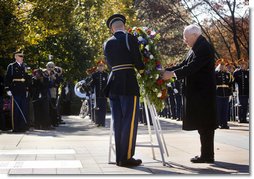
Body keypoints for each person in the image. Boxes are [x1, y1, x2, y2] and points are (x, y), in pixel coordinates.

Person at [162, 24, 218, 163]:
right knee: (202, 125)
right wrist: (165, 71)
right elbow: (183, 64)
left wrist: (173, 74)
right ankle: (206, 154)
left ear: (195, 35)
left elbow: (193, 67)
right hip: (199, 93)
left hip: (203, 93)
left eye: (186, 37)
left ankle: (207, 156)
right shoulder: (195, 48)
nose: (184, 40)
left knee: (205, 126)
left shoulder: (204, 47)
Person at [103, 14, 145, 167]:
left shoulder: (107, 43)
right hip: (128, 82)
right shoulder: (130, 38)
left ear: (112, 29)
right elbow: (138, 61)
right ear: (124, 27)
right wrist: (144, 70)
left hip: (113, 83)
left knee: (118, 121)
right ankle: (126, 157)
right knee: (129, 120)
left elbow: (109, 64)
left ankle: (120, 157)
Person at [5, 51, 30, 132]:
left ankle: (22, 126)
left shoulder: (25, 66)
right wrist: (8, 89)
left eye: (22, 56)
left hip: (23, 89)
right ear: (15, 57)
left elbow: (27, 78)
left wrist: (27, 89)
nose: (22, 57)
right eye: (20, 56)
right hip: (15, 89)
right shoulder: (11, 66)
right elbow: (7, 78)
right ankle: (15, 127)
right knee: (15, 110)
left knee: (23, 108)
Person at [215, 59, 233, 129]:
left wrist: (230, 94)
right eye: (221, 66)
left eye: (224, 66)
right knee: (219, 109)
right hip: (218, 94)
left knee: (225, 110)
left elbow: (231, 84)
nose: (223, 67)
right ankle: (218, 123)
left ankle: (224, 123)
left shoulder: (228, 74)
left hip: (226, 94)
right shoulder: (216, 74)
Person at [90, 60, 108, 127]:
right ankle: (97, 122)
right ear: (97, 67)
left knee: (103, 109)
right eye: (99, 66)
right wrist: (91, 90)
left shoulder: (106, 75)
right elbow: (92, 84)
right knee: (97, 108)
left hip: (104, 95)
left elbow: (108, 84)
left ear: (104, 67)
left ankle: (102, 122)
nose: (101, 67)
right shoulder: (94, 75)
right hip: (97, 95)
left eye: (102, 66)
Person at [233, 59, 249, 123]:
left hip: (246, 92)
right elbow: (233, 82)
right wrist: (234, 90)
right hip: (239, 92)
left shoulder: (248, 72)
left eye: (244, 64)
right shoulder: (236, 73)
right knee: (240, 105)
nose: (243, 65)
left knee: (245, 105)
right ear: (239, 65)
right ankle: (240, 118)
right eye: (241, 64)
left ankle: (244, 118)